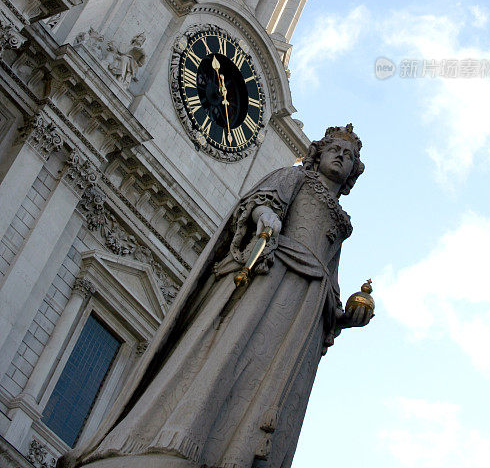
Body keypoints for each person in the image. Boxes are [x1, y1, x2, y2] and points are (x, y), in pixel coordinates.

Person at [59, 124, 370, 468]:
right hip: (273, 275)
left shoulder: (341, 223)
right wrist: (267, 219)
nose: (341, 158)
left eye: (349, 156)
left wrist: (344, 317)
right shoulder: (294, 177)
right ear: (318, 154)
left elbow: (331, 281)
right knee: (233, 352)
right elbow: (260, 203)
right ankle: (185, 437)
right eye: (335, 151)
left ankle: (234, 453)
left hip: (305, 308)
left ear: (353, 174)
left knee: (266, 380)